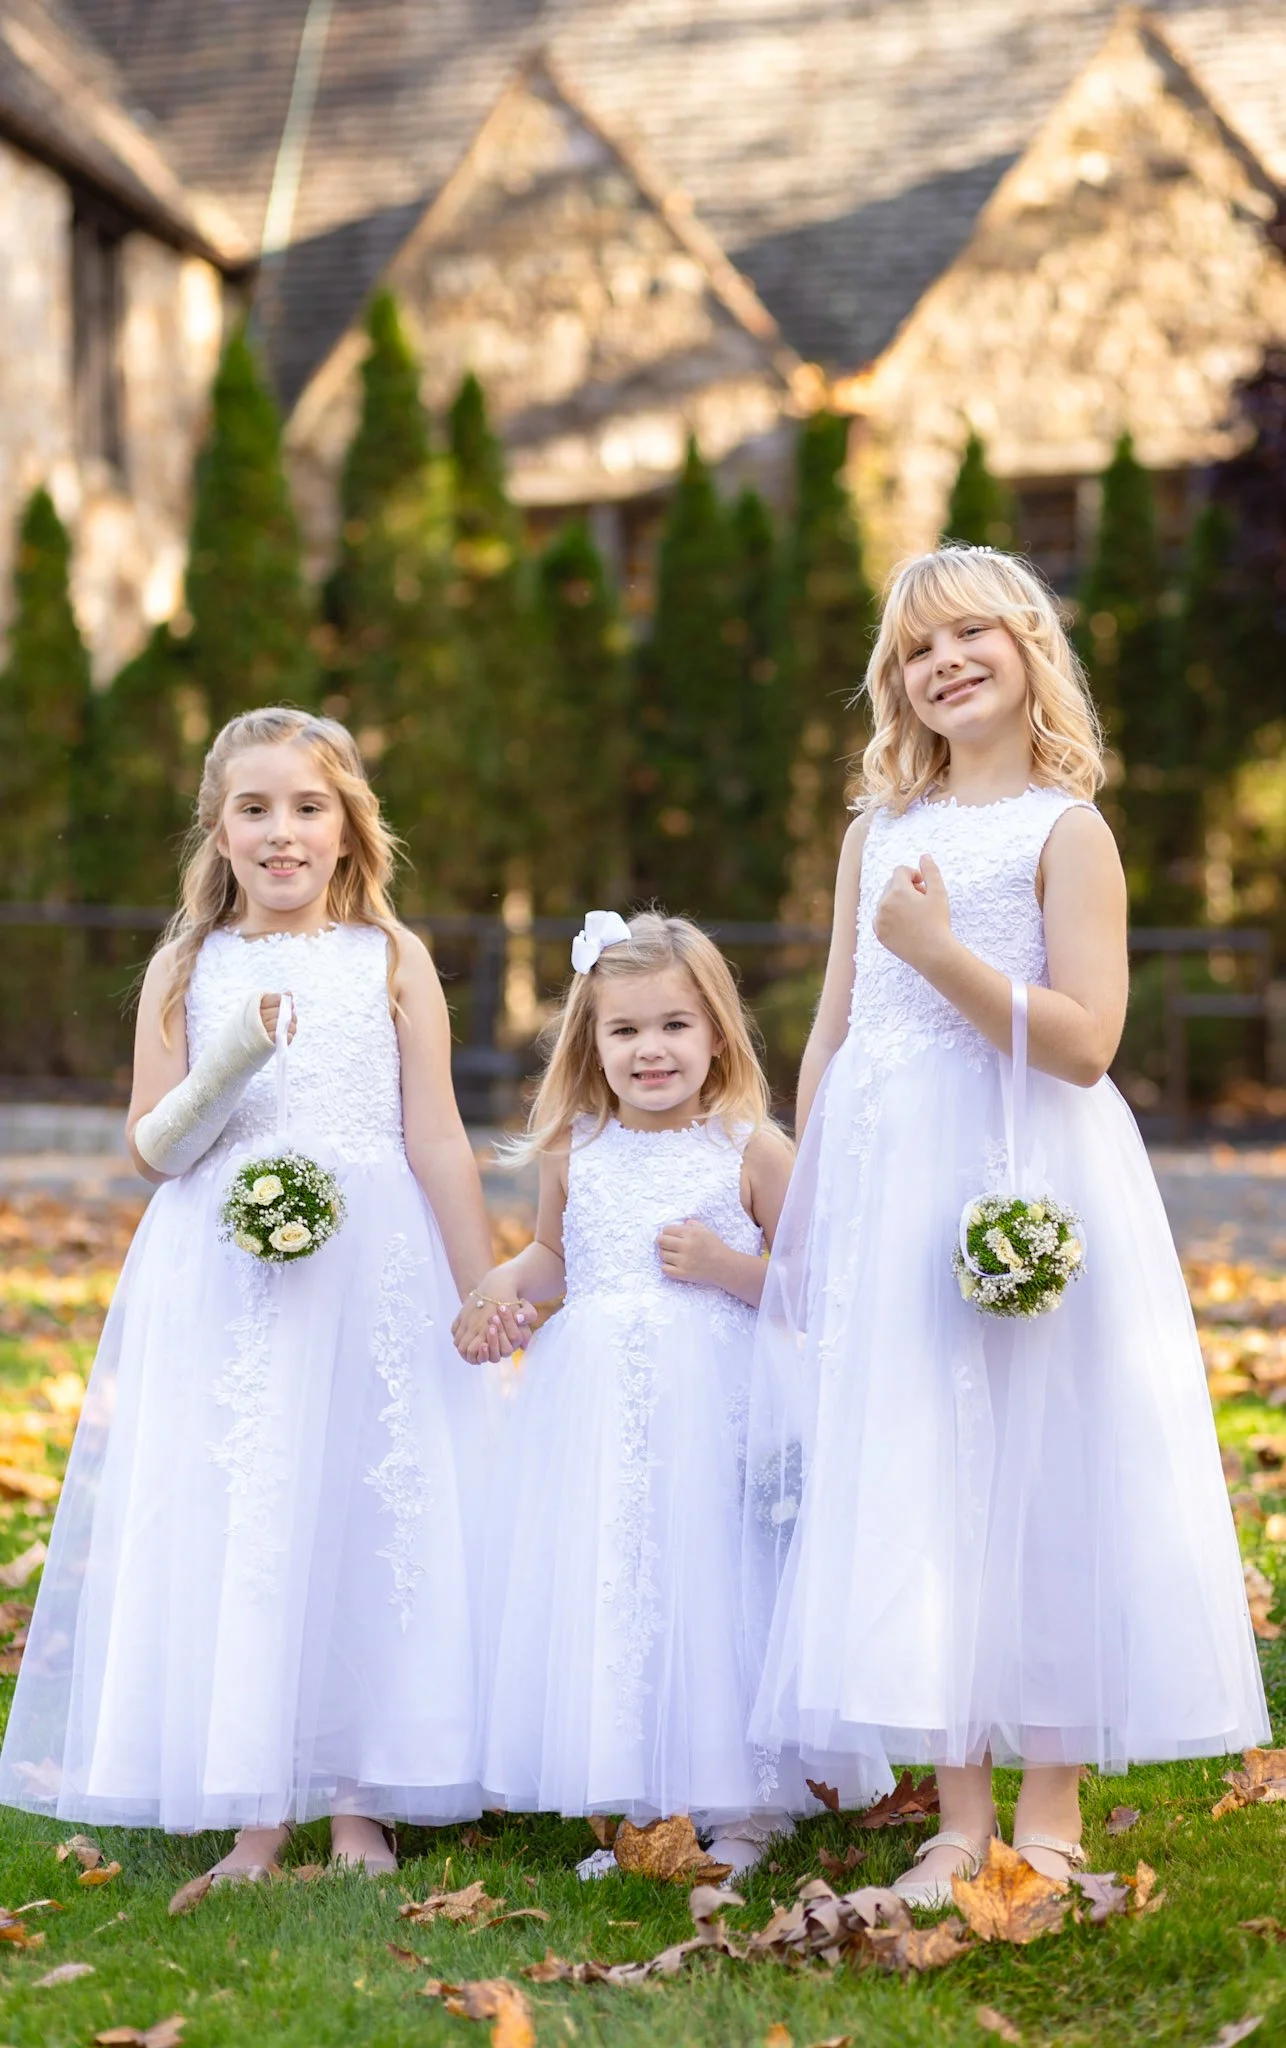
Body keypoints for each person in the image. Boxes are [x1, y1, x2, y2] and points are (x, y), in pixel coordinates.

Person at [745, 546, 1268, 1906]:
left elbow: (1086, 1042)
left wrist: (941, 956)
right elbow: (833, 1032)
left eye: (974, 632)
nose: (947, 661)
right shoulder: (873, 834)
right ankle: (951, 1807)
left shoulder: (1063, 829)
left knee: (1036, 1463)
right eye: (919, 648)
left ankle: (1050, 1804)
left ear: (1029, 650)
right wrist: (804, 1206)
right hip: (882, 1169)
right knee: (914, 1461)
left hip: (1019, 1168)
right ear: (895, 683)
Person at [0, 707, 496, 1879]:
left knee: (367, 1504)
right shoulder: (187, 965)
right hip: (225, 1269)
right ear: (217, 832)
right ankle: (256, 1808)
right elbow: (153, 1147)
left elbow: (435, 1134)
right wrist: (235, 1058)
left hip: (370, 1262)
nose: (282, 833)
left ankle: (364, 1798)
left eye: (308, 807)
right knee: (249, 1508)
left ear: (347, 828)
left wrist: (481, 1287)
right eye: (254, 809)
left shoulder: (390, 957)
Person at [454, 911, 831, 1874]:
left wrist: (723, 1267)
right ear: (592, 1042)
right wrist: (498, 1291)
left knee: (717, 1583)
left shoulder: (750, 1150)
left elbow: (815, 1289)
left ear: (716, 1034)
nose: (650, 1050)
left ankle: (744, 1810)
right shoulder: (574, 1148)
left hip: (717, 1404)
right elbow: (553, 1256)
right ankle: (650, 1805)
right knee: (626, 1581)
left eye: (673, 1026)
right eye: (624, 1031)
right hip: (600, 1411)